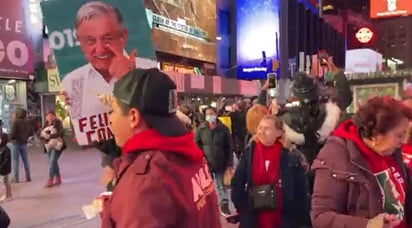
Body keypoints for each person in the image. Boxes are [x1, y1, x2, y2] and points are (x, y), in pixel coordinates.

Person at [100, 68, 221, 227]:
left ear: (133, 117)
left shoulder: (146, 183)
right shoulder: (187, 155)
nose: (110, 119)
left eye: (113, 111)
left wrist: (113, 213)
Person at [60, 1, 156, 145]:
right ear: (79, 41)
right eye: (90, 41)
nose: (100, 50)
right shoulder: (72, 81)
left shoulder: (150, 69)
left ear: (123, 36)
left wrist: (129, 77)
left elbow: (162, 116)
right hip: (111, 157)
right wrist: (67, 106)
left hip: (145, 152)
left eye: (107, 39)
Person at [311, 96, 412, 227]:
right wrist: (367, 225)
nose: (403, 141)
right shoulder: (337, 155)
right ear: (376, 134)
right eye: (399, 135)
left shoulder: (391, 153)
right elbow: (321, 217)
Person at [231, 111, 309, 228]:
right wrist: (242, 207)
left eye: (267, 128)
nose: (262, 132)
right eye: (260, 128)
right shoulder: (249, 153)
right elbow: (237, 182)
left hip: (283, 218)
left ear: (278, 132)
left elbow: (301, 190)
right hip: (253, 217)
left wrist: (298, 215)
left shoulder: (291, 157)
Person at [195, 106, 233, 217]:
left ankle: (224, 206)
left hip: (221, 162)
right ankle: (208, 208)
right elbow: (197, 144)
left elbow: (229, 147)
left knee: (221, 186)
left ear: (216, 114)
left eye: (212, 113)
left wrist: (229, 164)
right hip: (206, 163)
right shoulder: (201, 129)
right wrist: (201, 157)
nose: (210, 116)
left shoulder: (223, 129)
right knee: (207, 187)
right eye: (208, 114)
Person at [40, 111, 66, 188]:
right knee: (53, 162)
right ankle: (58, 177)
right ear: (46, 117)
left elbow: (61, 133)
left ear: (55, 116)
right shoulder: (45, 124)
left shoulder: (58, 123)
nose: (50, 117)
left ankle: (50, 179)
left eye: (51, 116)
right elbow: (41, 134)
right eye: (48, 116)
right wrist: (42, 136)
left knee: (52, 161)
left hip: (57, 145)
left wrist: (50, 136)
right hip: (48, 145)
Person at [9, 108, 32, 183]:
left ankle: (16, 178)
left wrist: (10, 138)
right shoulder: (27, 122)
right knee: (25, 160)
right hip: (24, 143)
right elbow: (30, 133)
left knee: (15, 161)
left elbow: (13, 134)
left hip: (15, 143)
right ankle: (28, 177)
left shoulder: (15, 122)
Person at [0, 133, 11, 201]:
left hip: (4, 169)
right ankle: (9, 194)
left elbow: (6, 160)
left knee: (5, 182)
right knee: (6, 181)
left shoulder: (6, 149)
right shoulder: (1, 148)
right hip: (2, 168)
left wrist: (1, 166)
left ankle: (6, 195)